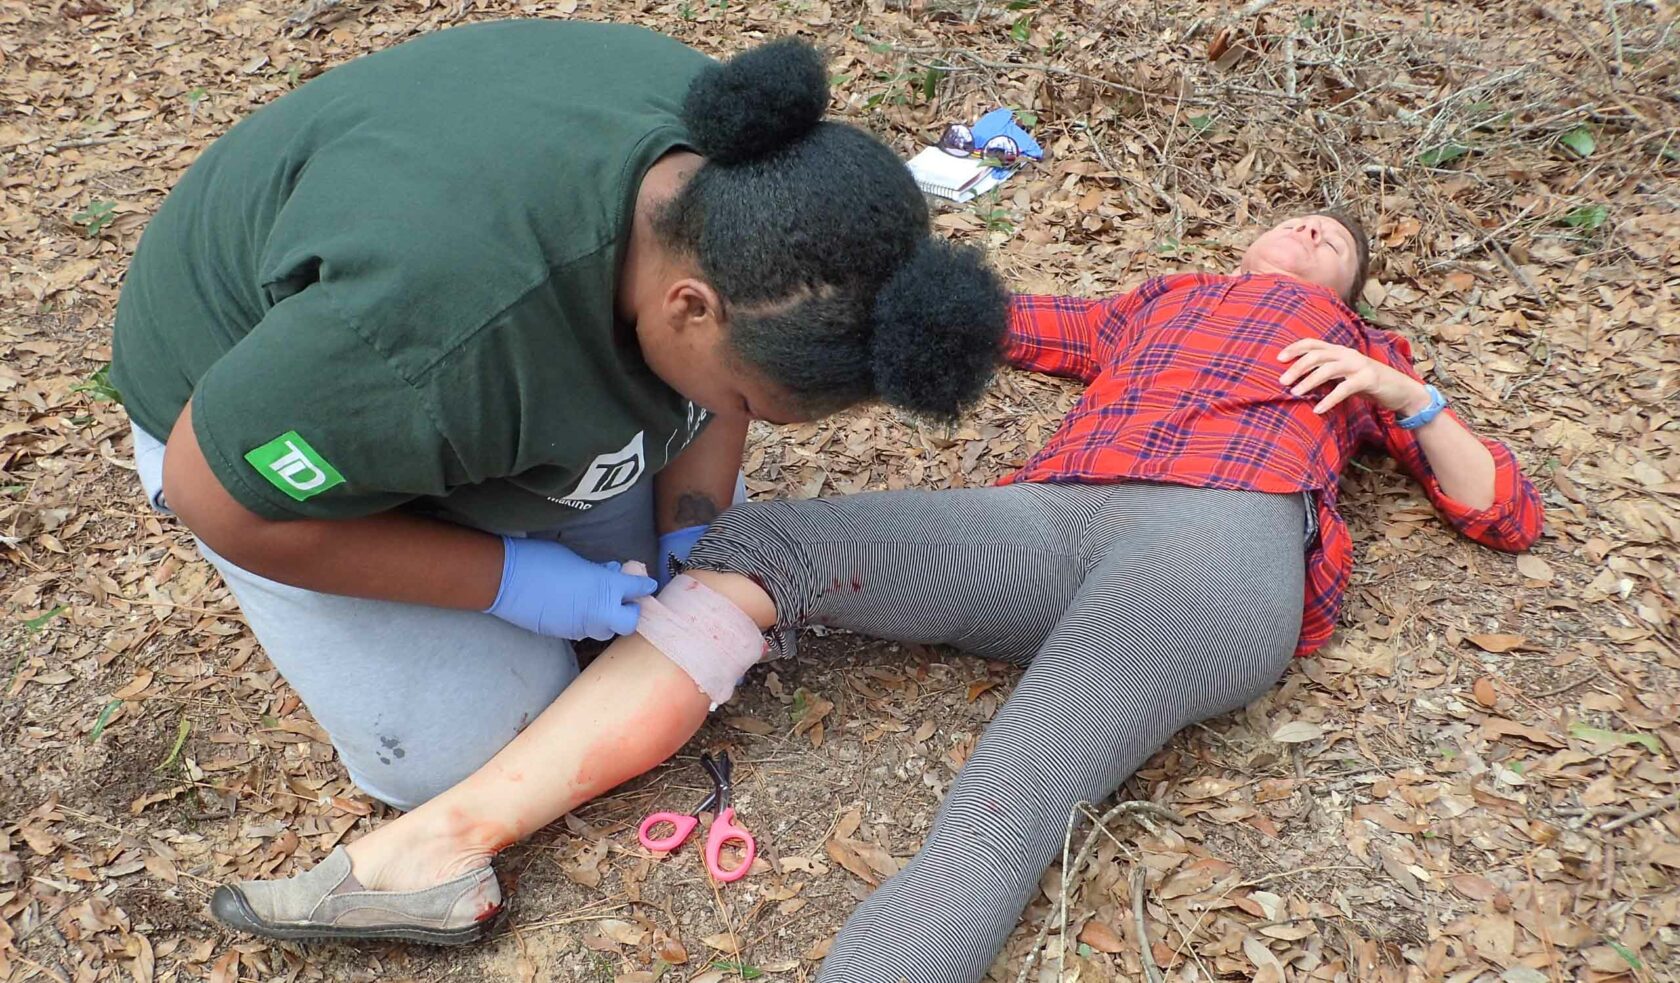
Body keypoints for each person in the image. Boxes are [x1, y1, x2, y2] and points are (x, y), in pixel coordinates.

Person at [206, 210, 1543, 970]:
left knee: (998, 809)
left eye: (1340, 241)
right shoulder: (1160, 302)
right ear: (1246, 241)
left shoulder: (1366, 353)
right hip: (1054, 521)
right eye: (1297, 221)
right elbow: (994, 321)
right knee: (763, 545)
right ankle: (442, 846)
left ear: (1353, 290)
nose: (1316, 232)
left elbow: (1508, 513)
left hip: (1217, 555)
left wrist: (1409, 399)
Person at [114, 22, 1007, 815]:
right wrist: (510, 580)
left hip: (435, 354)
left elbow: (703, 411)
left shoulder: (744, 182)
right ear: (690, 306)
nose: (734, 419)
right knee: (478, 747)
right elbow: (215, 495)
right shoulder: (434, 333)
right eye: (743, 404)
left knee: (612, 635)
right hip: (244, 418)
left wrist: (692, 532)